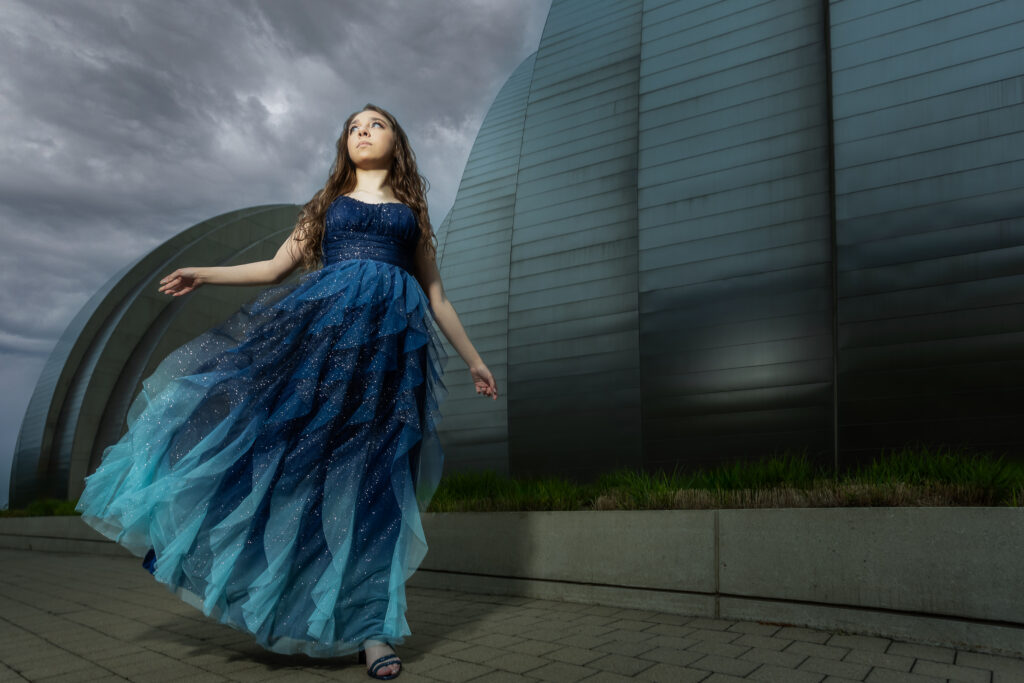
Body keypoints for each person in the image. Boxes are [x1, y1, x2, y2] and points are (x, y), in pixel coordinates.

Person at [74, 103, 498, 680]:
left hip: (389, 364)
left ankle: (373, 632)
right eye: (353, 127)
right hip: (322, 354)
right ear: (344, 144)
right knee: (294, 467)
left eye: (376, 124)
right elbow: (275, 269)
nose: (363, 132)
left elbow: (437, 296)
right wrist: (205, 273)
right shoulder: (326, 206)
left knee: (375, 484)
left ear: (396, 141)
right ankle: (278, 595)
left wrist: (475, 361)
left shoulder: (413, 214)